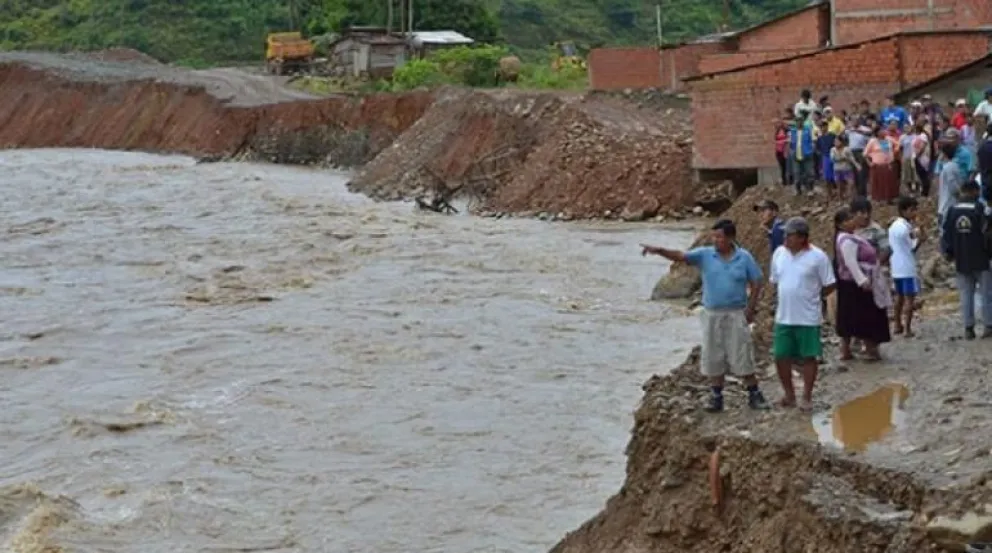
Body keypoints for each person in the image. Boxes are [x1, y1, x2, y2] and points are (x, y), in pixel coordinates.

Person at [641, 220, 770, 412]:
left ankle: (754, 394)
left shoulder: (744, 258)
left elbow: (757, 282)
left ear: (731, 238)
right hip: (712, 313)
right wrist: (659, 250)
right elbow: (680, 256)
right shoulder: (705, 255)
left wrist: (751, 308)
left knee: (742, 353)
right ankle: (716, 397)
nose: (715, 240)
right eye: (714, 236)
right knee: (713, 355)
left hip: (736, 313)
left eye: (719, 237)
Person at [770, 217, 836, 412]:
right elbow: (775, 280)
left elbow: (830, 284)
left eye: (789, 235)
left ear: (801, 237)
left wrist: (815, 297)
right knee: (781, 356)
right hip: (784, 316)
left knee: (809, 356)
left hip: (808, 317)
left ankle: (806, 396)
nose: (785, 238)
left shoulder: (818, 257)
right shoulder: (779, 253)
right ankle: (789, 395)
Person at [834, 208, 891, 361]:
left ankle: (851, 349)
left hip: (856, 282)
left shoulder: (851, 237)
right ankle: (869, 349)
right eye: (848, 220)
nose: (853, 221)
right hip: (856, 284)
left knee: (850, 317)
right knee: (865, 317)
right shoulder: (847, 240)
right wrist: (862, 281)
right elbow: (851, 262)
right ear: (841, 224)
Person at [941, 179, 992, 339]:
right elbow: (988, 234)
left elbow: (946, 235)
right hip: (981, 259)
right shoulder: (979, 209)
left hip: (961, 260)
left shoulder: (952, 211)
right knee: (986, 293)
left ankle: (968, 328)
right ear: (974, 191)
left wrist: (949, 253)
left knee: (966, 294)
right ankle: (988, 325)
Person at [889, 196, 925, 336]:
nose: (914, 212)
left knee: (899, 297)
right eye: (912, 210)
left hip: (896, 266)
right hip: (907, 267)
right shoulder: (906, 228)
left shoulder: (893, 226)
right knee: (909, 298)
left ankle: (897, 324)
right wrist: (920, 238)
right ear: (904, 211)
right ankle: (907, 329)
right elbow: (912, 247)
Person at [864, 126, 900, 202]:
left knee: (889, 182)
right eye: (881, 131)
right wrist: (869, 163)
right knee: (879, 183)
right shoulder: (872, 141)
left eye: (884, 130)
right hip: (878, 165)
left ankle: (889, 198)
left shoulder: (889, 139)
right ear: (877, 133)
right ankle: (879, 199)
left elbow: (898, 144)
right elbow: (865, 154)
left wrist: (894, 152)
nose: (884, 132)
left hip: (889, 164)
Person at [938, 141, 966, 229]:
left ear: (944, 154)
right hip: (948, 203)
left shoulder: (949, 168)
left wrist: (959, 196)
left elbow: (953, 187)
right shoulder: (953, 166)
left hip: (948, 204)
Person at [791, 111, 816, 195]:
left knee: (809, 173)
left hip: (807, 154)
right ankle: (798, 190)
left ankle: (810, 190)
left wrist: (811, 150)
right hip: (796, 155)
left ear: (803, 121)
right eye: (797, 120)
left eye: (800, 120)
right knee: (797, 173)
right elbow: (791, 143)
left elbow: (813, 141)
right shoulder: (793, 131)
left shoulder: (808, 129)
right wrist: (792, 151)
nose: (799, 122)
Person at [831, 133, 859, 200]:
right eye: (834, 141)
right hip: (837, 169)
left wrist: (857, 165)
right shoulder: (833, 149)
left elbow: (852, 158)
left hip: (847, 169)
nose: (835, 143)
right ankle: (840, 199)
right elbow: (833, 159)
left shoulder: (847, 149)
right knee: (839, 186)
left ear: (841, 142)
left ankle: (850, 199)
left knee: (851, 184)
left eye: (837, 141)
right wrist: (844, 158)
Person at [912, 121, 932, 196]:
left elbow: (922, 147)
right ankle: (923, 189)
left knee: (923, 174)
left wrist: (917, 155)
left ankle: (925, 191)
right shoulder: (917, 136)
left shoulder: (923, 136)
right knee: (920, 175)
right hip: (917, 156)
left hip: (922, 157)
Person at [775, 120, 789, 186]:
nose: (778, 125)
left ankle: (786, 181)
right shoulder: (777, 131)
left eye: (779, 123)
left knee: (785, 167)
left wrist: (786, 151)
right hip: (778, 151)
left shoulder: (785, 131)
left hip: (784, 151)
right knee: (782, 167)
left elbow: (787, 141)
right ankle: (784, 181)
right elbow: (776, 141)